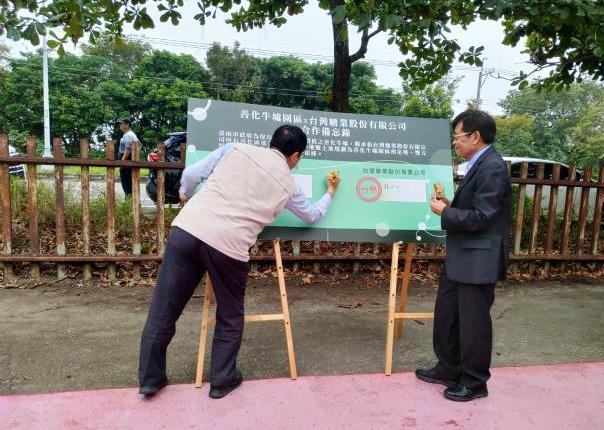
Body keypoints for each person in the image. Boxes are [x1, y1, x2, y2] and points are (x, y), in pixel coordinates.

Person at [138, 125, 340, 399]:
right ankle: (222, 379)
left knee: (164, 308)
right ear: (295, 156)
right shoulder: (288, 184)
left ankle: (150, 379)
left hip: (188, 230)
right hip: (229, 247)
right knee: (230, 314)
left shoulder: (235, 148)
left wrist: (185, 194)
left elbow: (190, 174)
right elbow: (312, 216)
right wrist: (330, 191)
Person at [415, 109, 512, 402]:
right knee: (448, 316)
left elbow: (483, 216)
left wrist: (445, 212)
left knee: (473, 324)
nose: (455, 143)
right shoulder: (477, 164)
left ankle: (474, 382)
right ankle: (449, 367)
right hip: (463, 256)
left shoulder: (492, 167)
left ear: (475, 136)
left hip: (479, 259)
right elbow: (474, 210)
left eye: (457, 137)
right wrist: (450, 205)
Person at [117, 119, 139, 196]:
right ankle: (129, 200)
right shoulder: (130, 134)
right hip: (129, 159)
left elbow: (128, 149)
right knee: (129, 183)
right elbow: (139, 144)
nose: (120, 126)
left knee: (126, 184)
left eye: (122, 124)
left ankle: (128, 201)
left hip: (126, 160)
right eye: (120, 124)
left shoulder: (128, 135)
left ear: (127, 125)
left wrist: (122, 161)